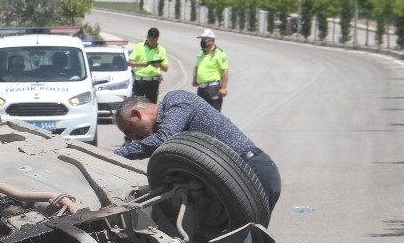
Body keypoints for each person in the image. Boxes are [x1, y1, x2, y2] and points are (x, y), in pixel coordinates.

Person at [114, 91, 281, 213]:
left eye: (129, 131)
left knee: (250, 241)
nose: (134, 138)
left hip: (252, 172)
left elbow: (162, 139)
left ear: (136, 114)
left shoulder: (176, 100)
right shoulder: (168, 126)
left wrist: (119, 153)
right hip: (233, 178)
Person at [126, 27, 168, 103]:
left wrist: (159, 65)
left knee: (151, 106)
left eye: (156, 40)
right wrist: (141, 64)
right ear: (147, 37)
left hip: (153, 82)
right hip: (139, 81)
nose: (153, 42)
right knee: (137, 105)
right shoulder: (139, 46)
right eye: (152, 40)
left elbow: (165, 69)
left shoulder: (161, 49)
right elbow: (129, 62)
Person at [192, 28, 229, 111]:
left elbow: (225, 71)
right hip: (201, 89)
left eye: (205, 39)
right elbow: (196, 67)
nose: (203, 41)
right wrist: (195, 79)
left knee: (213, 116)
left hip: (213, 88)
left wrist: (223, 88)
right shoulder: (201, 53)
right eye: (202, 39)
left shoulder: (219, 53)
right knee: (200, 115)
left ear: (212, 40)